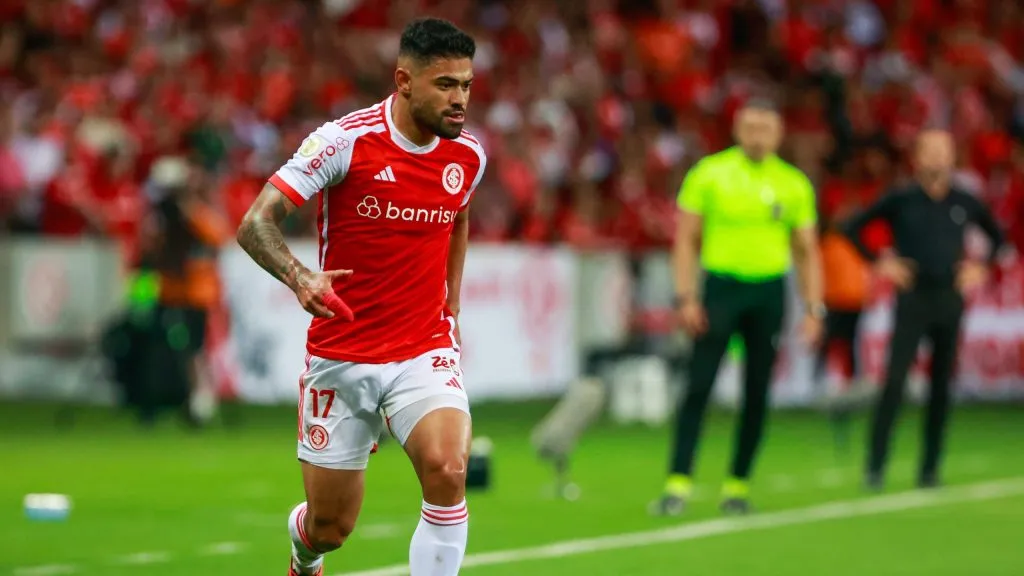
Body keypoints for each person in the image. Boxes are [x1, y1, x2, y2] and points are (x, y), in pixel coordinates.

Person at [235, 19, 485, 576]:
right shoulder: (344, 142)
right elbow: (255, 223)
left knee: (448, 469)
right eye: (446, 84)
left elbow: (459, 217)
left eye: (467, 85)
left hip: (423, 348)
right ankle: (304, 553)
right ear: (404, 81)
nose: (460, 99)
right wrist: (300, 276)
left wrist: (452, 304)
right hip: (343, 353)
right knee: (330, 528)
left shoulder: (467, 155)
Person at [652, 99, 824, 516]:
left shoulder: (793, 184)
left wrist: (814, 308)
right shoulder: (710, 174)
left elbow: (806, 250)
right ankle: (678, 483)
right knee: (698, 385)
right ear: (736, 130)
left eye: (766, 128)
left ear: (779, 134)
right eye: (750, 127)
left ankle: (738, 486)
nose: (757, 136)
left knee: (757, 391)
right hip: (721, 289)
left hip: (768, 291)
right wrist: (686, 296)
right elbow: (686, 239)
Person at [842, 129, 1004, 490]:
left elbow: (998, 238)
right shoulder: (902, 198)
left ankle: (930, 468)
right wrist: (881, 262)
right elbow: (853, 228)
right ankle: (875, 466)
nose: (936, 158)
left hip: (948, 297)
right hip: (913, 297)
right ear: (916, 157)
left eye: (943, 151)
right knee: (894, 382)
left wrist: (981, 267)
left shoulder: (964, 201)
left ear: (952, 157)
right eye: (929, 151)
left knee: (941, 385)